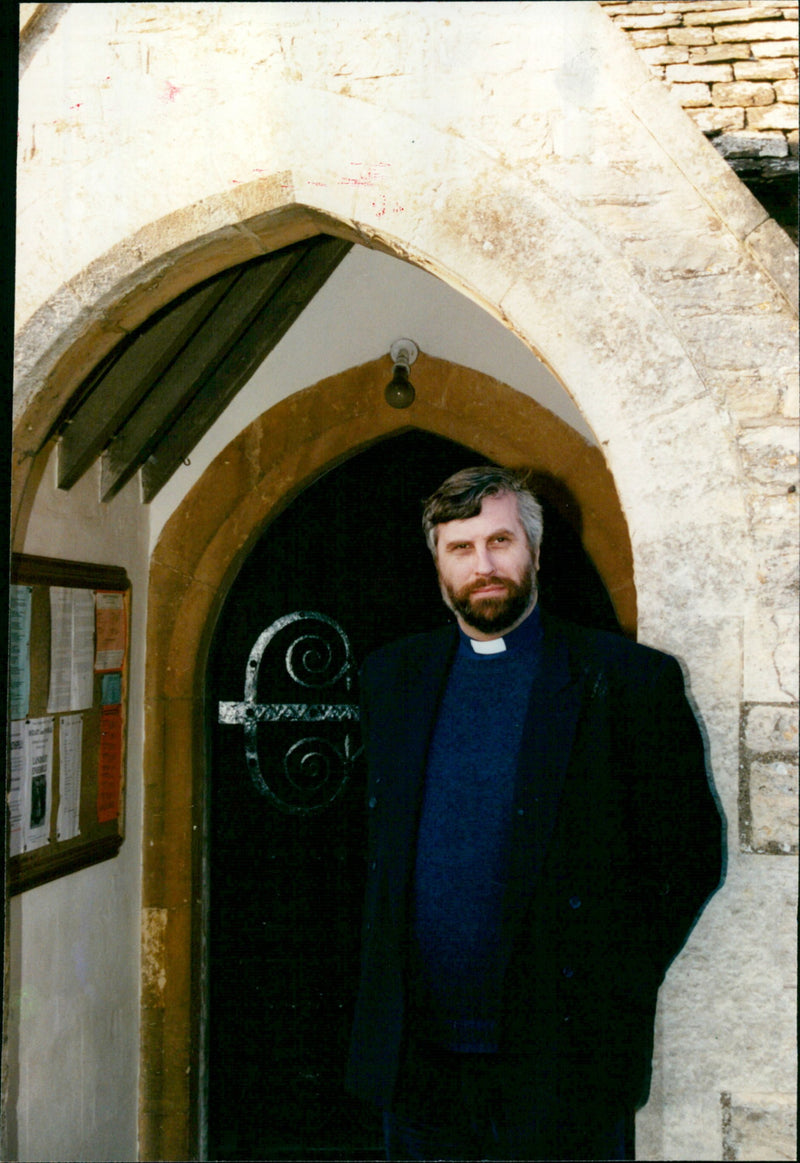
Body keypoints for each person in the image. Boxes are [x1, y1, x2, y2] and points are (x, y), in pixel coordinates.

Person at [346, 465, 722, 1161]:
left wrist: (612, 987)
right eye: (461, 548)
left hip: (563, 1063)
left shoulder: (627, 680)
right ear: (437, 564)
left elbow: (692, 854)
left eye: (500, 541)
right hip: (420, 1067)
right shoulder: (392, 677)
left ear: (536, 552)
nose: (483, 565)